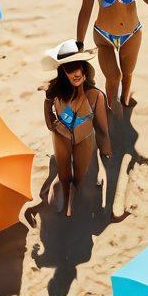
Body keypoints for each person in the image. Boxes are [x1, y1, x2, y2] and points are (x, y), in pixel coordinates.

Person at [41, 40, 110, 217]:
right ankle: (65, 197)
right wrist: (58, 127)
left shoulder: (96, 96)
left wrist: (105, 150)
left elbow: (102, 129)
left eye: (78, 67)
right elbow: (50, 121)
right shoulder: (54, 91)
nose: (75, 73)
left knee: (80, 173)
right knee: (64, 174)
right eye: (69, 69)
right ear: (63, 71)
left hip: (84, 138)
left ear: (84, 67)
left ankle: (73, 195)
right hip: (60, 137)